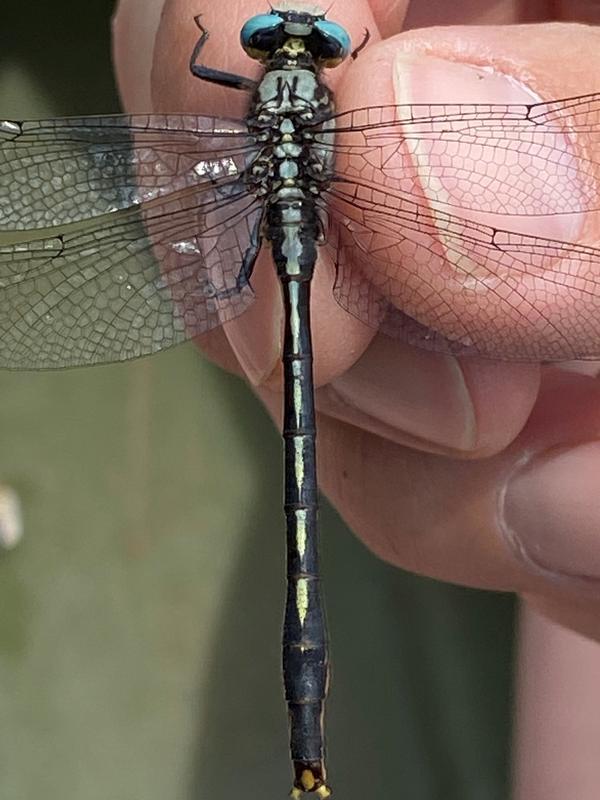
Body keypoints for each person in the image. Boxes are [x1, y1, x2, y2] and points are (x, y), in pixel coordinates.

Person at [113, 2, 600, 798]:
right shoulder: (343, 102)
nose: (298, 46)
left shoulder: (252, 94)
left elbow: (206, 67)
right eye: (282, 41)